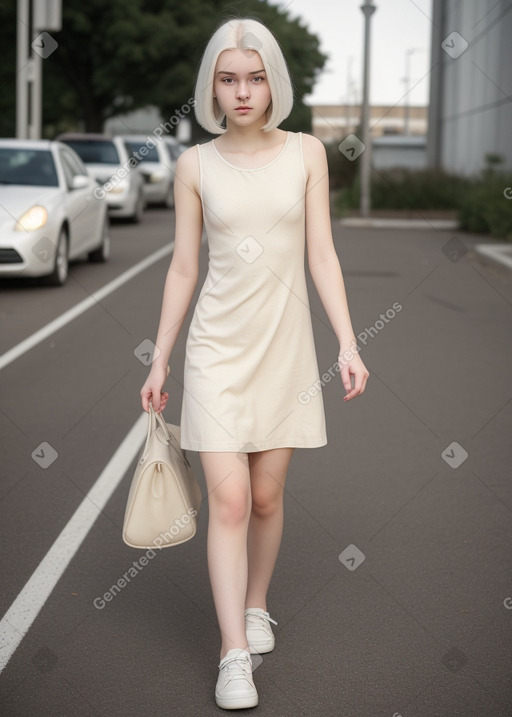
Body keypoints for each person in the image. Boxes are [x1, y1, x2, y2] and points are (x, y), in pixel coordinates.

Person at [140, 16, 369, 711]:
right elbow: (184, 266)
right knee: (230, 499)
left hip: (286, 348)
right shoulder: (194, 165)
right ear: (213, 85)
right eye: (229, 78)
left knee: (266, 496)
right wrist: (161, 359)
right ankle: (231, 654)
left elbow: (321, 253)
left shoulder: (306, 154)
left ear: (275, 81)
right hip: (216, 350)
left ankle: (255, 605)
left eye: (256, 76)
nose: (243, 91)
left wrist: (348, 341)